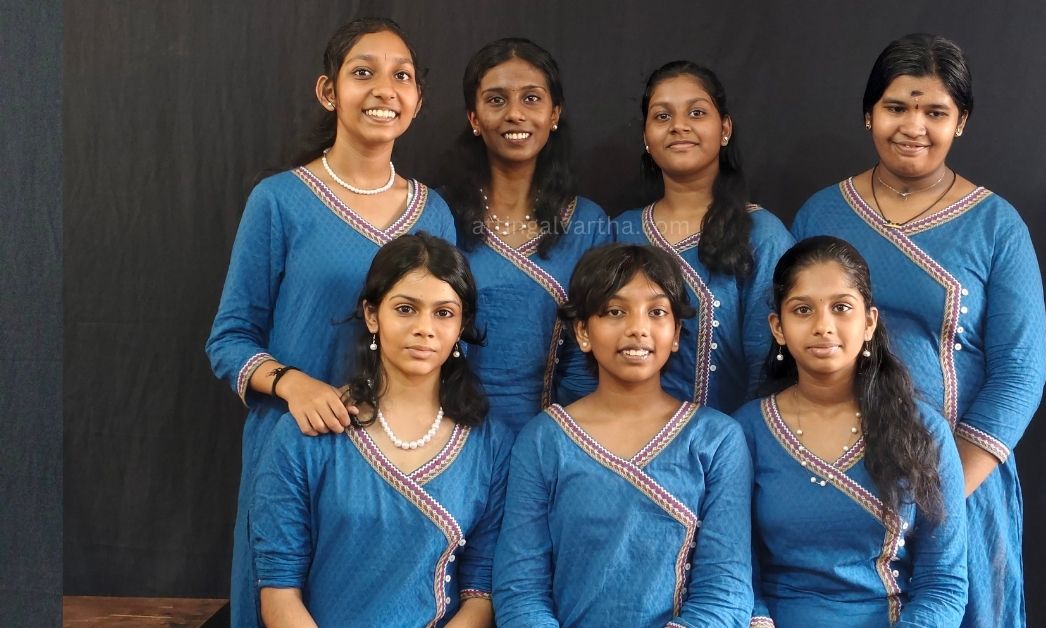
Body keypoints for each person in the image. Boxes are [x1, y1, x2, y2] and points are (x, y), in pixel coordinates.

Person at [204, 18, 455, 627]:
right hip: (298, 447)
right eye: (363, 72)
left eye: (402, 76)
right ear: (328, 91)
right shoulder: (280, 201)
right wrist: (294, 384)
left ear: (418, 100)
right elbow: (229, 339)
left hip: (400, 459)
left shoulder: (434, 213)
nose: (384, 90)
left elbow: (448, 337)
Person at [790, 33, 1046, 627]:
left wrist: (941, 494)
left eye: (935, 111)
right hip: (834, 480)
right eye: (896, 107)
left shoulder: (996, 226)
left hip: (960, 480)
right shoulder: (822, 214)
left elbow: (1021, 372)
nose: (914, 127)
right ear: (868, 114)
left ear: (961, 122)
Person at [251, 233, 510, 627]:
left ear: (462, 325)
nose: (424, 328)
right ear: (372, 315)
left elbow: (480, 593)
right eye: (406, 309)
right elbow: (278, 590)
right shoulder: (306, 436)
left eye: (444, 313)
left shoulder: (490, 444)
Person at [492, 244, 753, 627]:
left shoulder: (717, 440)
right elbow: (520, 589)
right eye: (615, 311)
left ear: (676, 333)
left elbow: (725, 590)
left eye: (657, 312)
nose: (637, 328)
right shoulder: (544, 439)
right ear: (583, 331)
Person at [733, 236, 967, 627]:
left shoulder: (923, 430)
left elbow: (943, 583)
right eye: (803, 310)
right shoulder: (746, 431)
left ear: (869, 322)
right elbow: (734, 571)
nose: (823, 326)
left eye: (841, 308)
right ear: (778, 327)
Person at [443, 38, 612, 432]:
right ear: (474, 118)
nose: (515, 114)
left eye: (531, 99)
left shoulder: (587, 223)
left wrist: (561, 440)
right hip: (444, 432)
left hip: (552, 434)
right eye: (496, 100)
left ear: (554, 114)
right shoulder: (438, 213)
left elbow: (591, 353)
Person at [613, 60, 794, 415]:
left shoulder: (761, 234)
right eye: (662, 116)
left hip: (730, 438)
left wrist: (736, 438)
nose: (679, 126)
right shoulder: (619, 232)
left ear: (725, 128)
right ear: (646, 137)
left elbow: (769, 361)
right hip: (623, 437)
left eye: (696, 113)